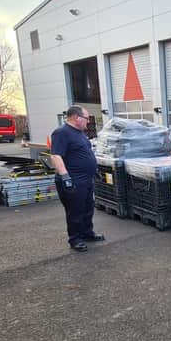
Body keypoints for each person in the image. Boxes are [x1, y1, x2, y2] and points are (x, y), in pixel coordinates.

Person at [50, 105, 104, 252]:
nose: (88, 122)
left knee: (88, 208)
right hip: (74, 180)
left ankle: (87, 233)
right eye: (86, 119)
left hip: (86, 179)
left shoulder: (79, 133)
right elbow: (56, 155)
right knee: (75, 211)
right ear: (76, 118)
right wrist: (65, 177)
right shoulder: (62, 133)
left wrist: (95, 170)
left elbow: (84, 153)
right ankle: (75, 239)